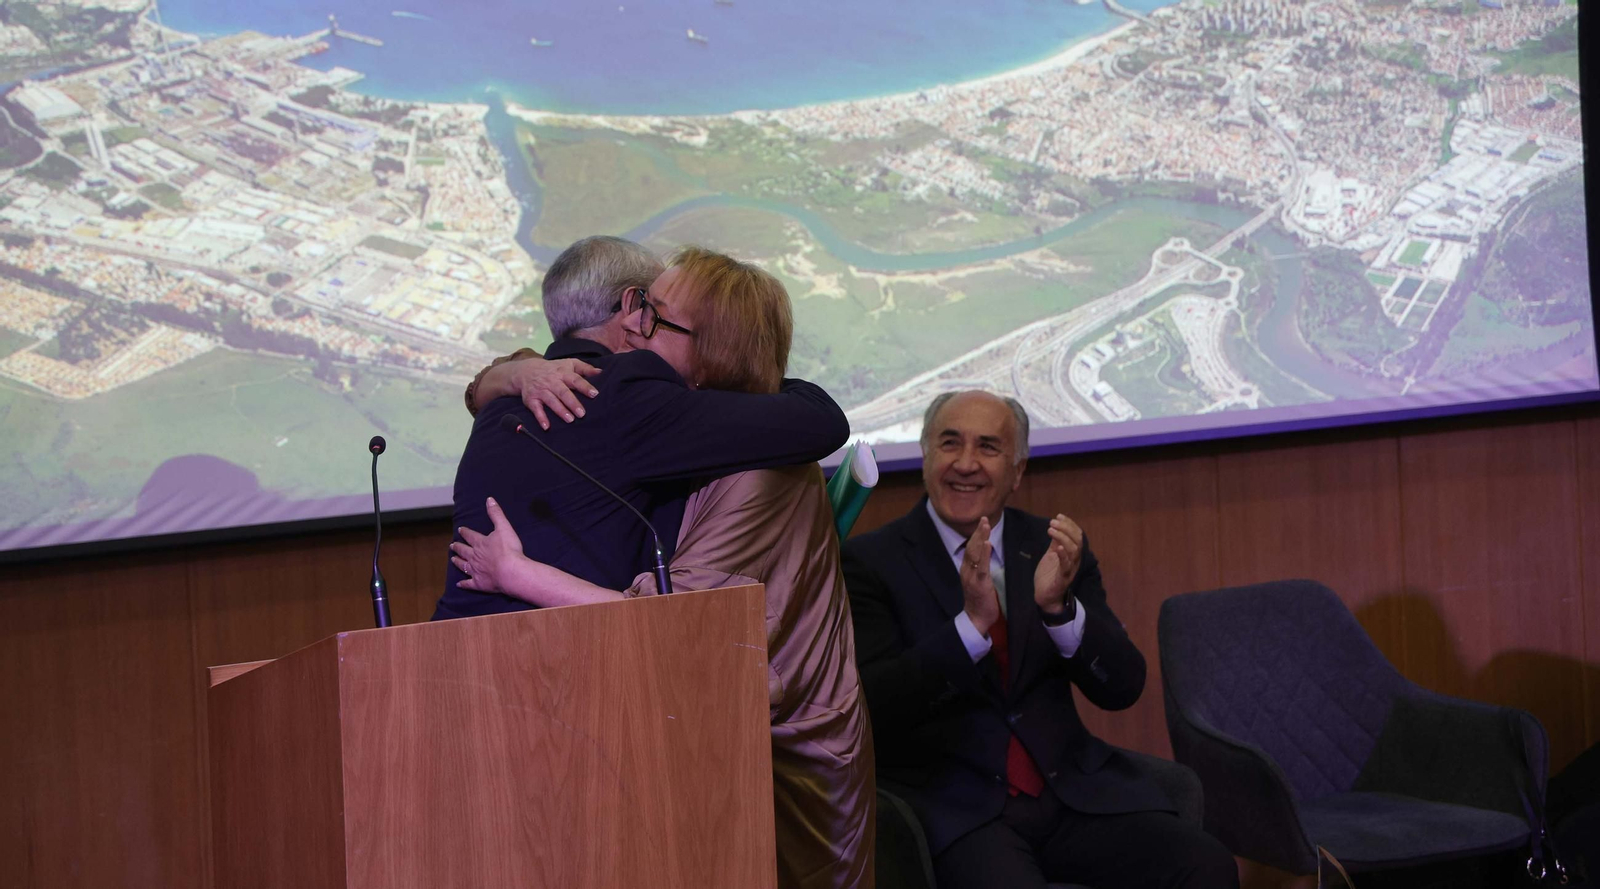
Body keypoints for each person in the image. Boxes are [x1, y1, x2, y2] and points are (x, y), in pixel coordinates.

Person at [449, 246, 874, 889]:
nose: (636, 333)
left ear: (713, 348)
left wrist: (518, 572)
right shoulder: (678, 424)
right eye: (641, 311)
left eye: (656, 318)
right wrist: (510, 372)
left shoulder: (755, 467)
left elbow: (683, 624)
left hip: (782, 763)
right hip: (649, 719)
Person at [841, 391, 1238, 889]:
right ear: (925, 456)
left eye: (987, 447)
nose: (965, 464)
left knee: (1206, 865)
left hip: (1071, 795)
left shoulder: (1053, 548)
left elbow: (1122, 687)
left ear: (1018, 470)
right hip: (961, 812)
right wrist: (970, 629)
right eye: (949, 443)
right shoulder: (869, 562)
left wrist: (1060, 610)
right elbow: (873, 705)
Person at [432, 236, 849, 620]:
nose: (640, 324)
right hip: (551, 667)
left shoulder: (503, 398)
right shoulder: (632, 393)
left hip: (452, 653)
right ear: (631, 303)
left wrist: (507, 373)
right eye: (649, 307)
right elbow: (822, 421)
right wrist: (737, 363)